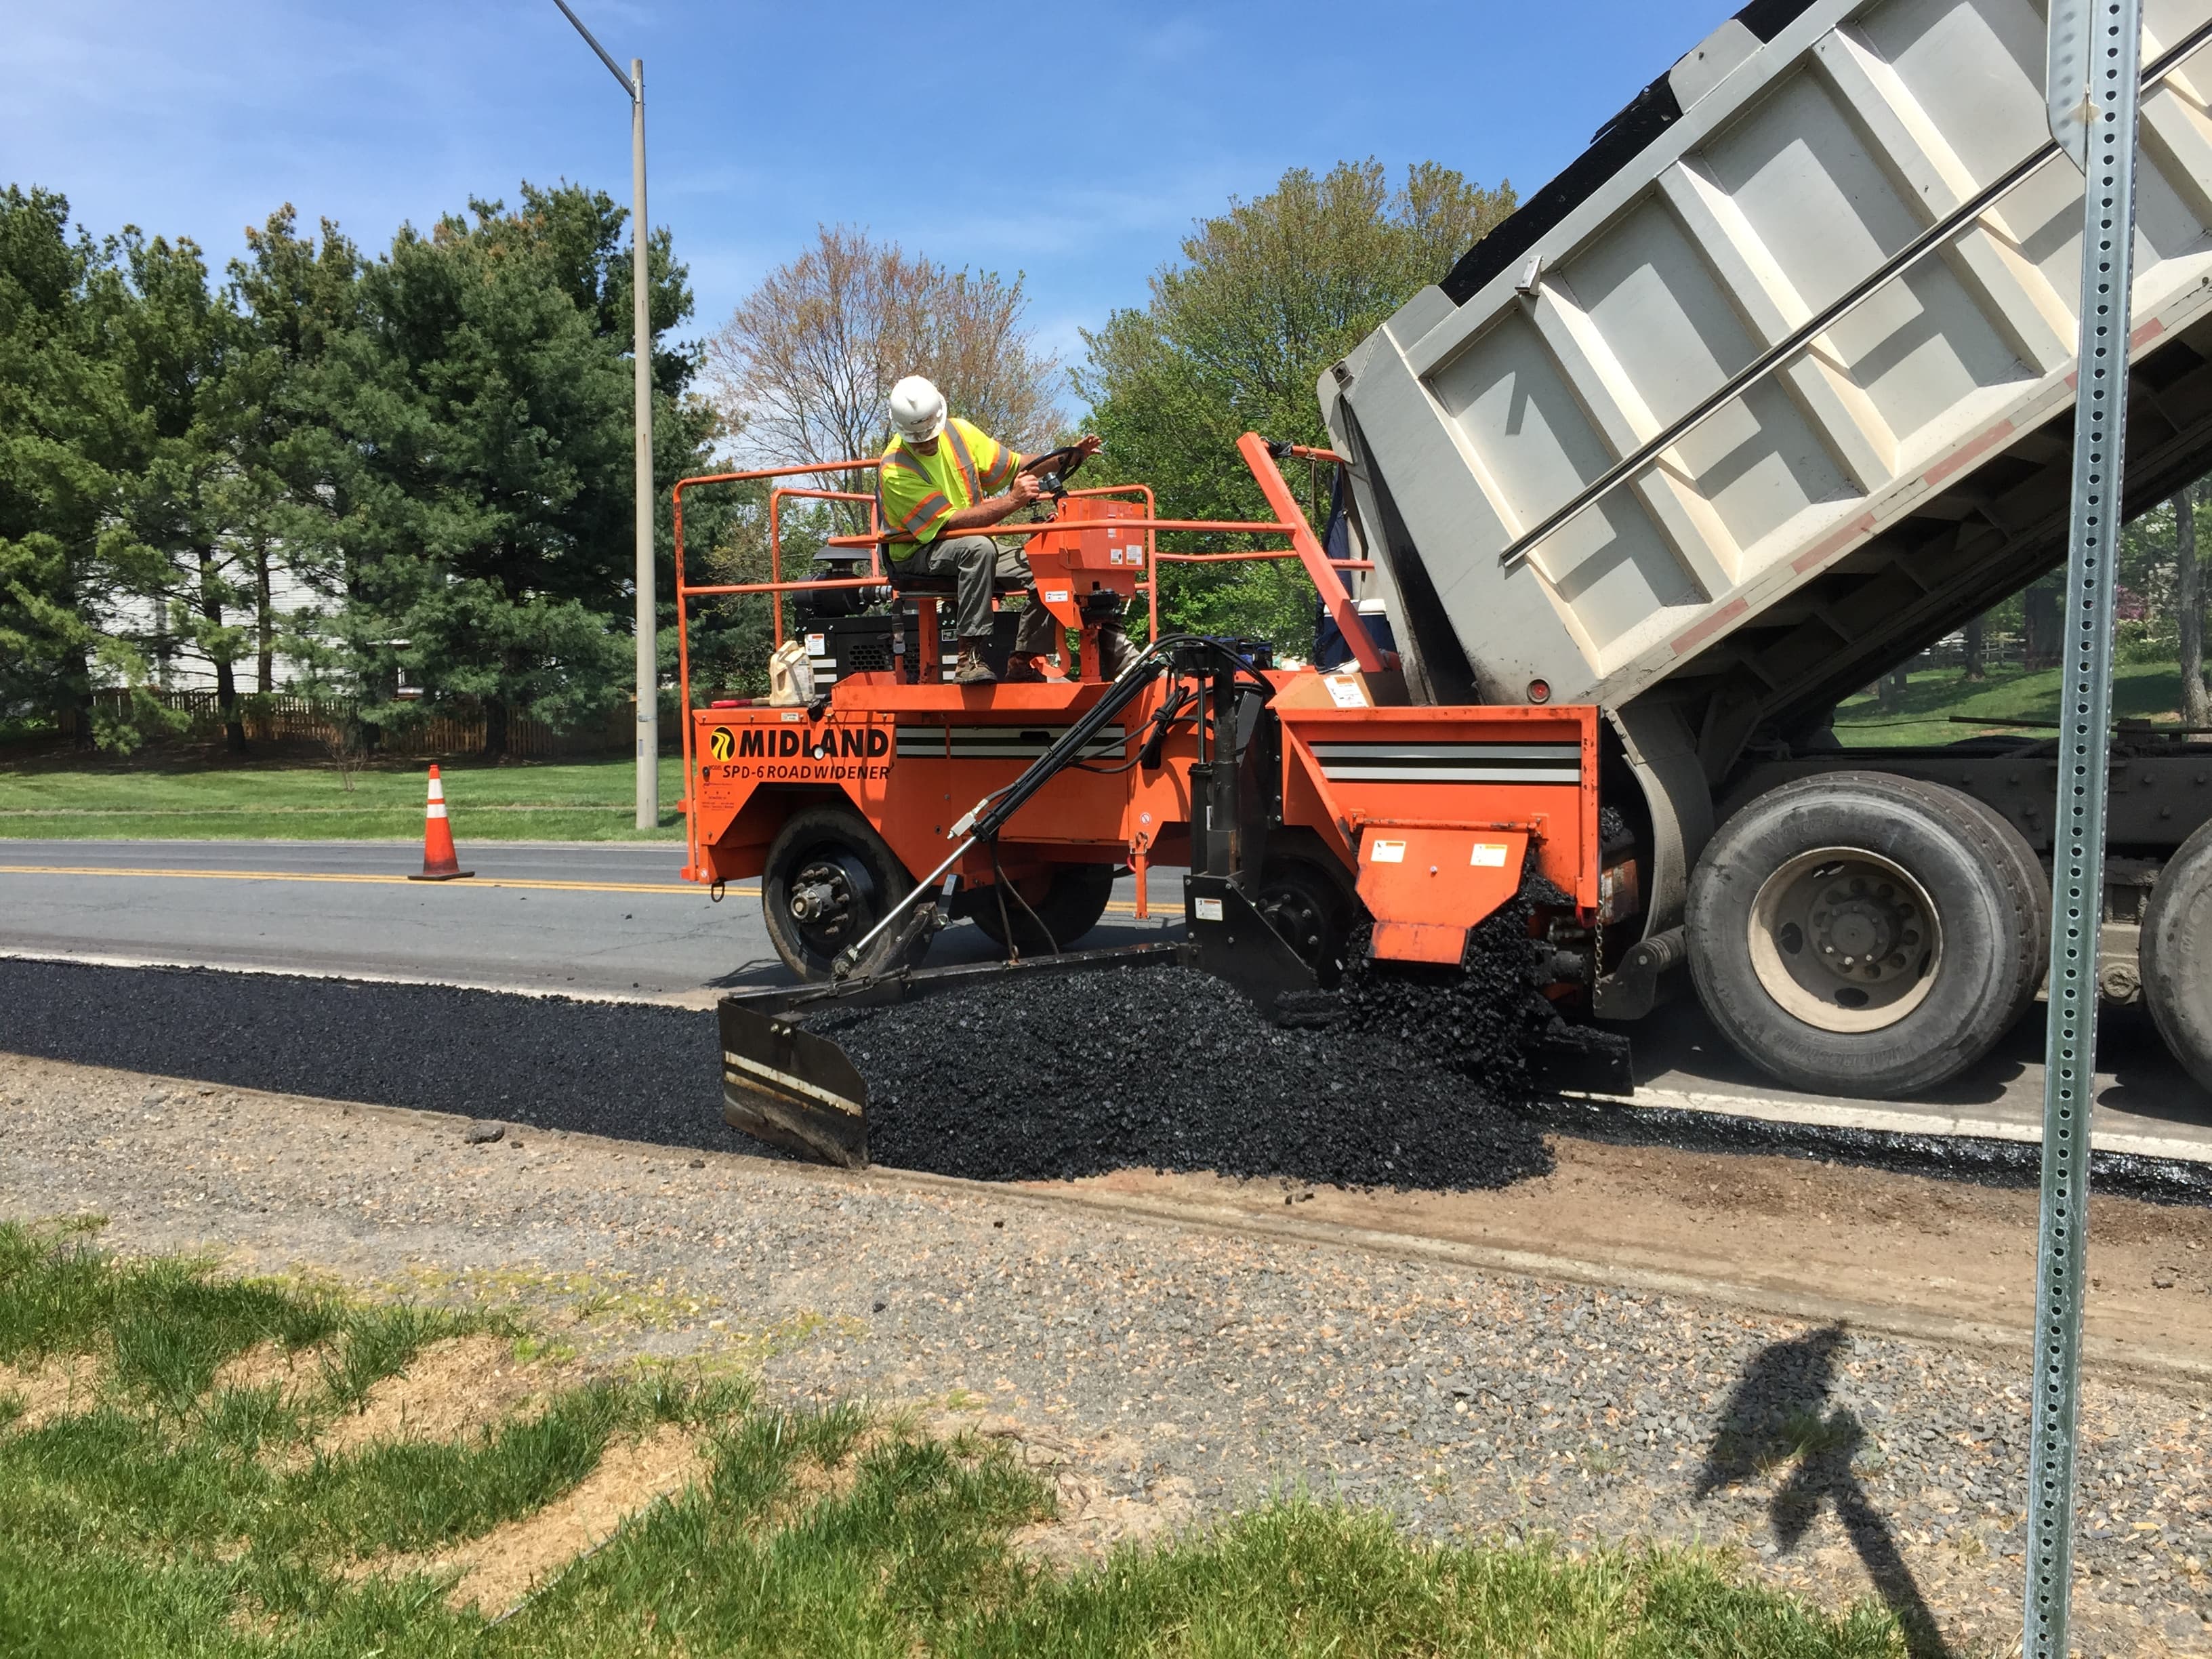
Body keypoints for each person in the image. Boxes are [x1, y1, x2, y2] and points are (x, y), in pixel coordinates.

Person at [876, 374, 1125, 684]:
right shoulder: (895, 469)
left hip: (966, 543)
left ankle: (1023, 660)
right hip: (916, 553)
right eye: (919, 438)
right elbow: (949, 523)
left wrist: (1065, 456)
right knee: (978, 548)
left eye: (930, 433)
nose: (926, 442)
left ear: (940, 418)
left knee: (1047, 563)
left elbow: (1015, 466)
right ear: (902, 431)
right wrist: (1013, 502)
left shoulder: (959, 433)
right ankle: (970, 659)